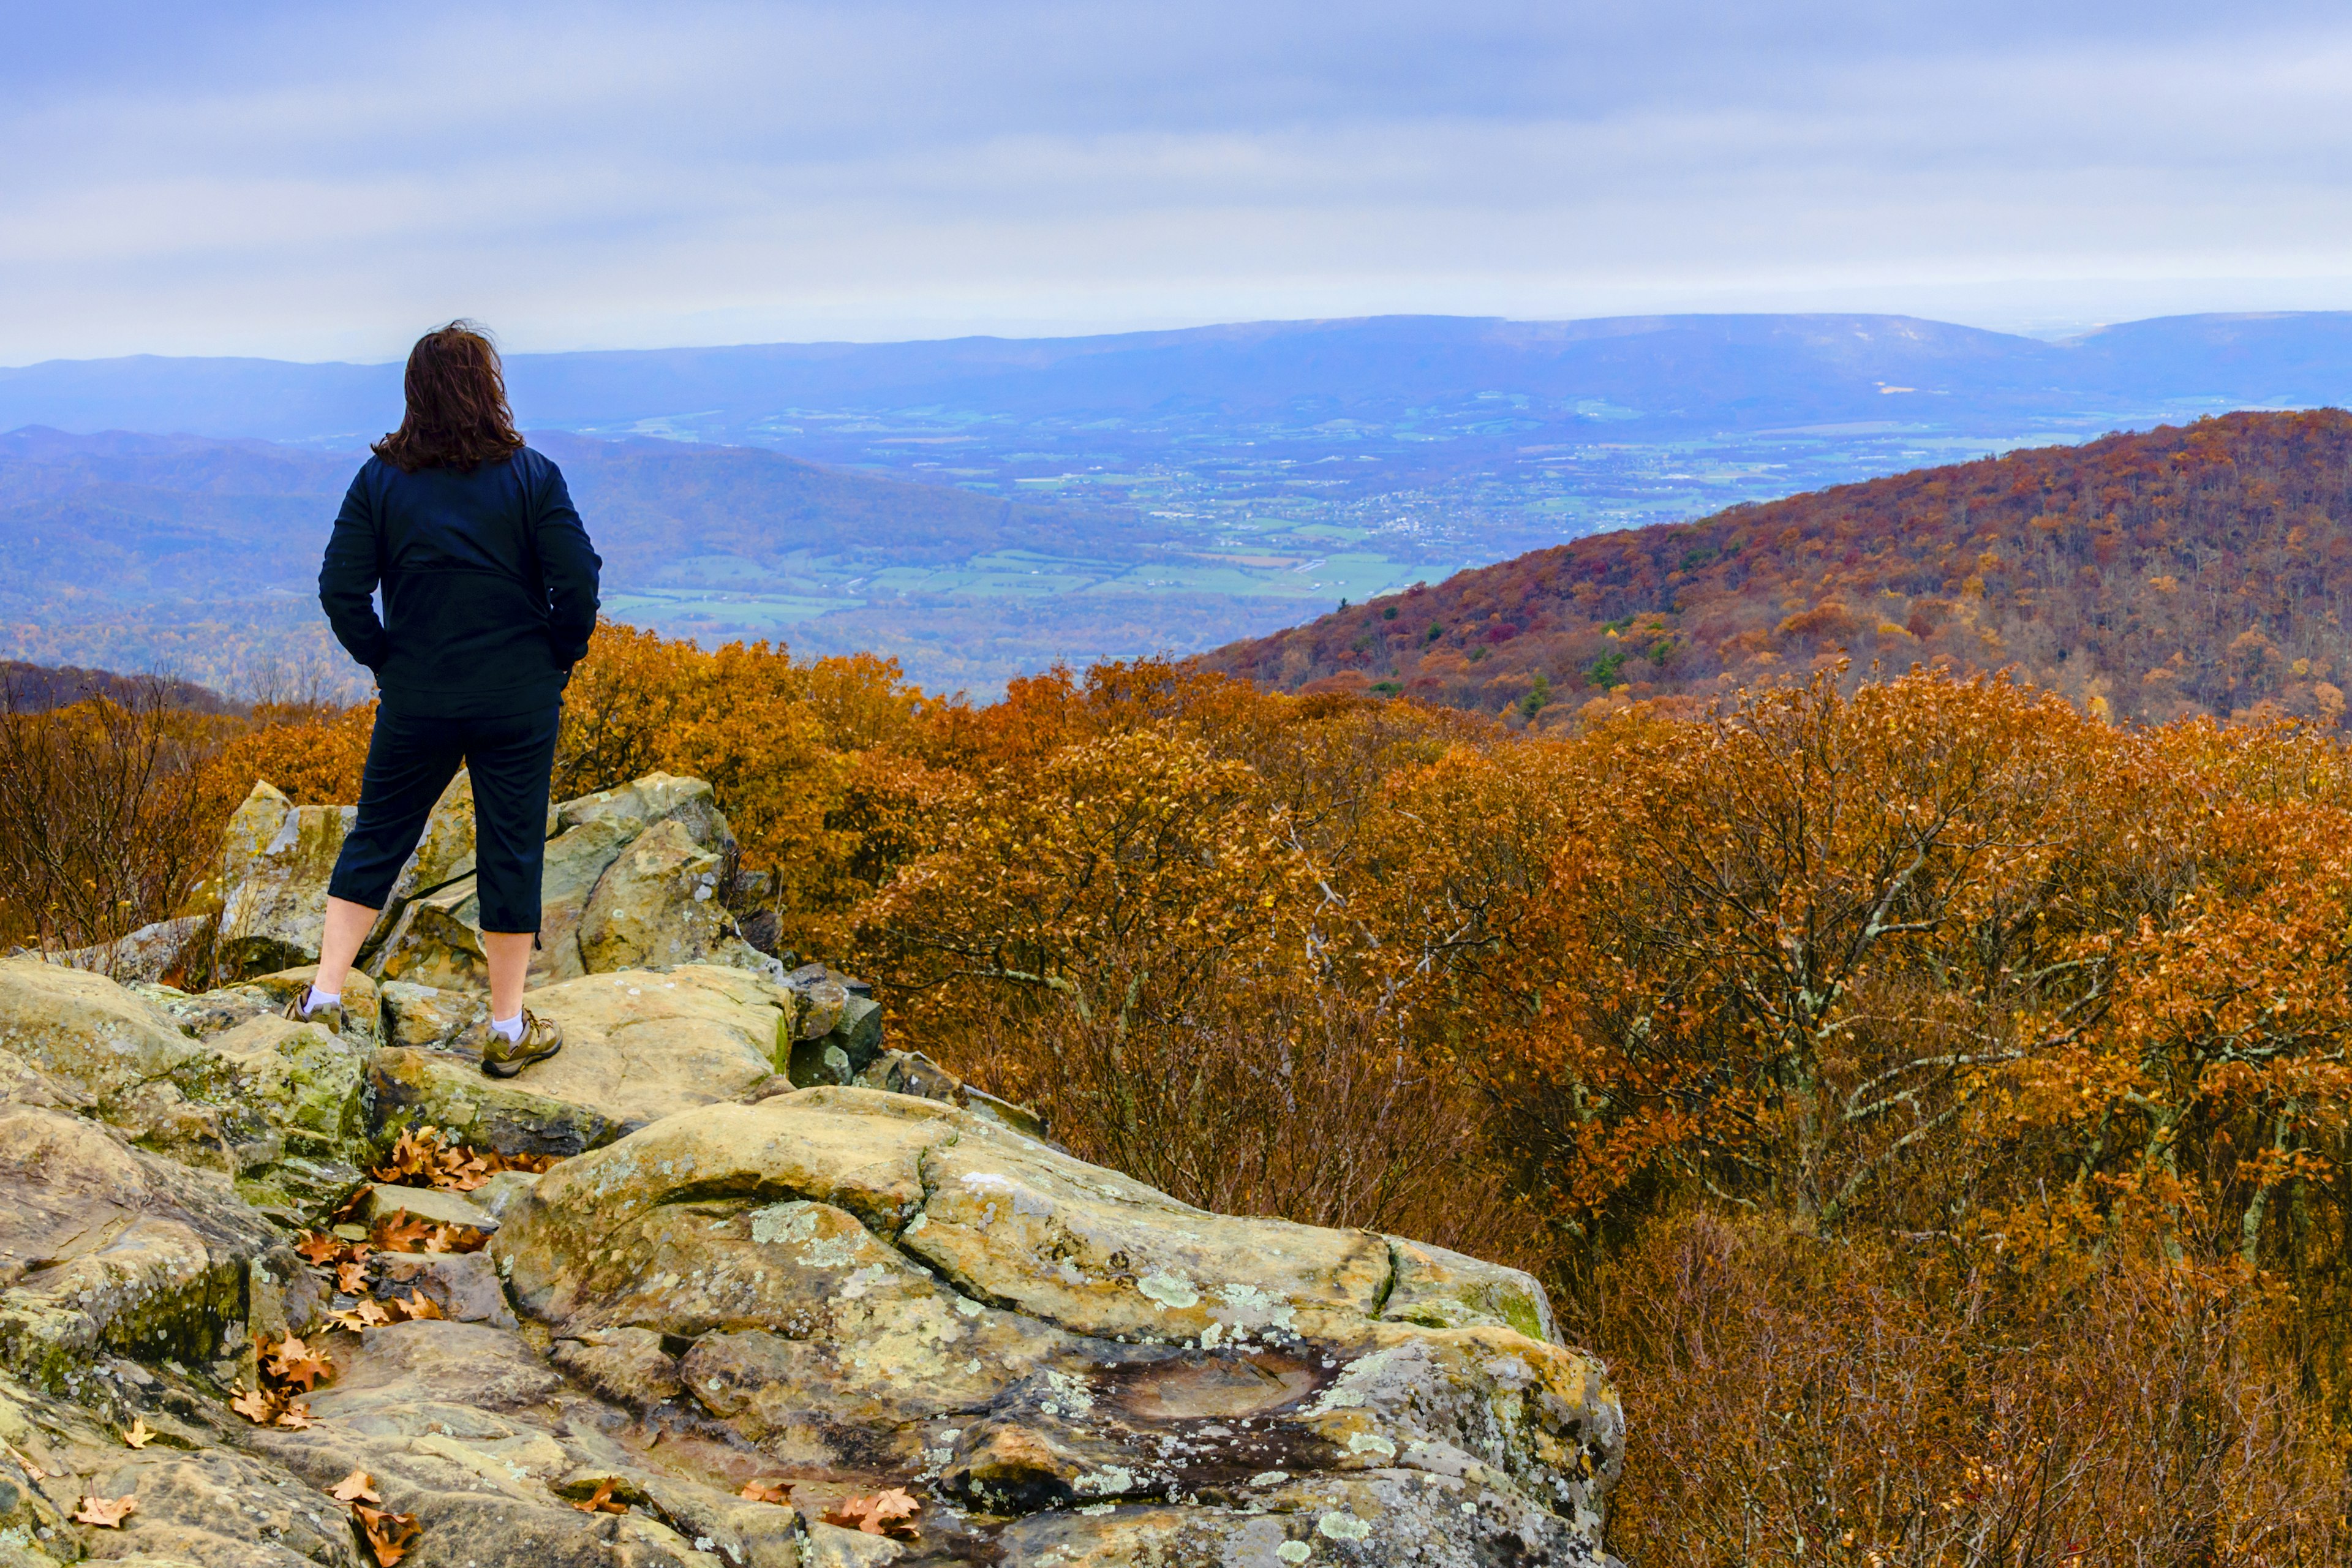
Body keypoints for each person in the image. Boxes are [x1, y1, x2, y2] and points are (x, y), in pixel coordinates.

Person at [289, 321, 602, 1077]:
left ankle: (325, 999)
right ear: (487, 388)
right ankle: (505, 1025)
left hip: (418, 693)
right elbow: (579, 581)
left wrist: (385, 658)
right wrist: (555, 657)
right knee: (512, 848)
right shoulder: (533, 476)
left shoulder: (380, 482)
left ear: (414, 392)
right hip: (517, 697)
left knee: (379, 835)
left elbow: (340, 589)